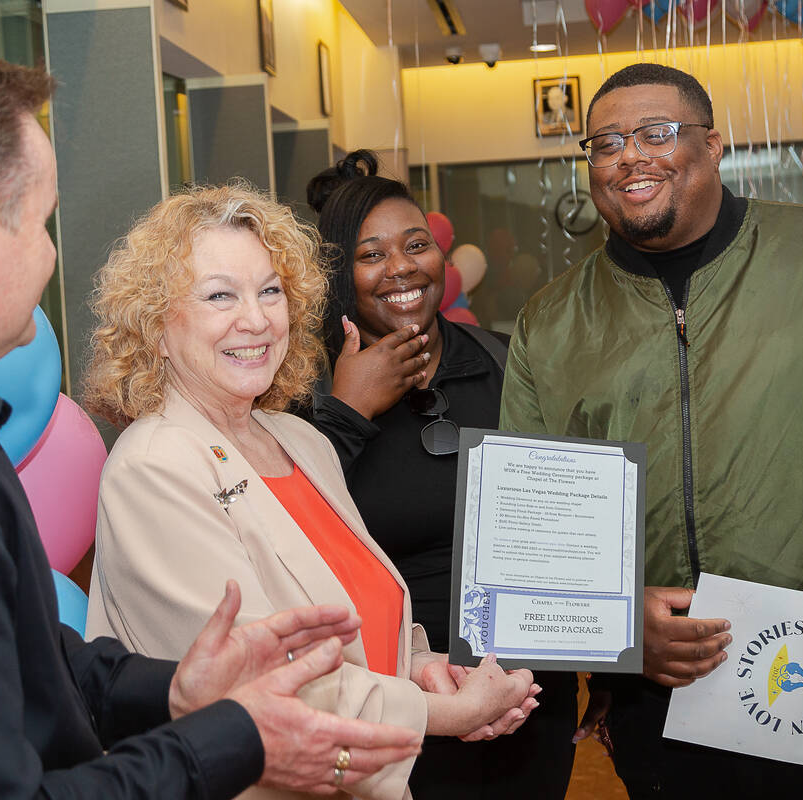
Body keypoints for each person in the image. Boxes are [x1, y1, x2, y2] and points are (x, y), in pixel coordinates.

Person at [0, 48, 425, 798]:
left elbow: (38, 659)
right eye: (43, 223)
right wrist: (226, 739)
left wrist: (179, 689)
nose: (53, 255)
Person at [500, 62, 803, 799]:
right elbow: (533, 523)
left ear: (714, 145)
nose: (630, 157)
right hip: (665, 699)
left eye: (657, 133)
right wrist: (611, 627)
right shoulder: (550, 322)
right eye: (605, 143)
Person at [82, 182, 538, 800]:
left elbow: (365, 622)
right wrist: (445, 715)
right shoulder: (153, 466)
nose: (257, 318)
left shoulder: (300, 440)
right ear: (156, 321)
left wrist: (427, 669)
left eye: (270, 291)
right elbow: (256, 681)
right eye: (220, 295)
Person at [303, 150, 578, 800]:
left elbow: (569, 518)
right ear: (342, 275)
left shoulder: (506, 364)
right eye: (372, 254)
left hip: (525, 690)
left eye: (416, 245)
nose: (401, 267)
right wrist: (347, 411)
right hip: (393, 695)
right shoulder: (303, 394)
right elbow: (288, 533)